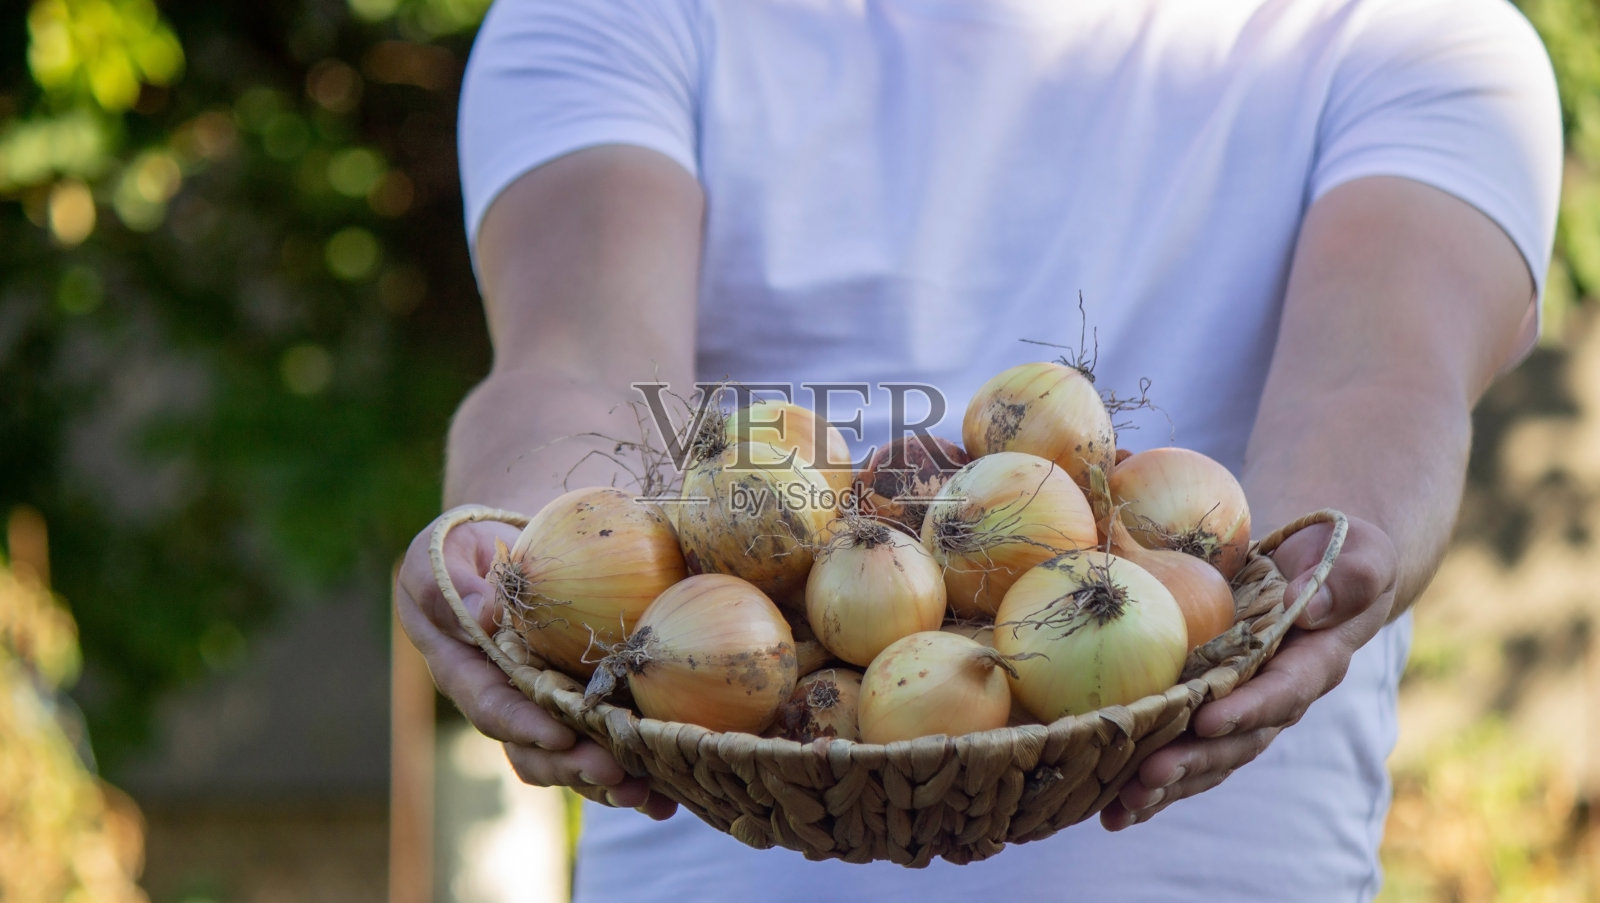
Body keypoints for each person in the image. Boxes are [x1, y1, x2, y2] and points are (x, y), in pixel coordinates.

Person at [394, 0, 1563, 899]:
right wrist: (517, 555)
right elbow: (571, 364)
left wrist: (1322, 554)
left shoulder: (1419, 31)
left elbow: (1382, 376)